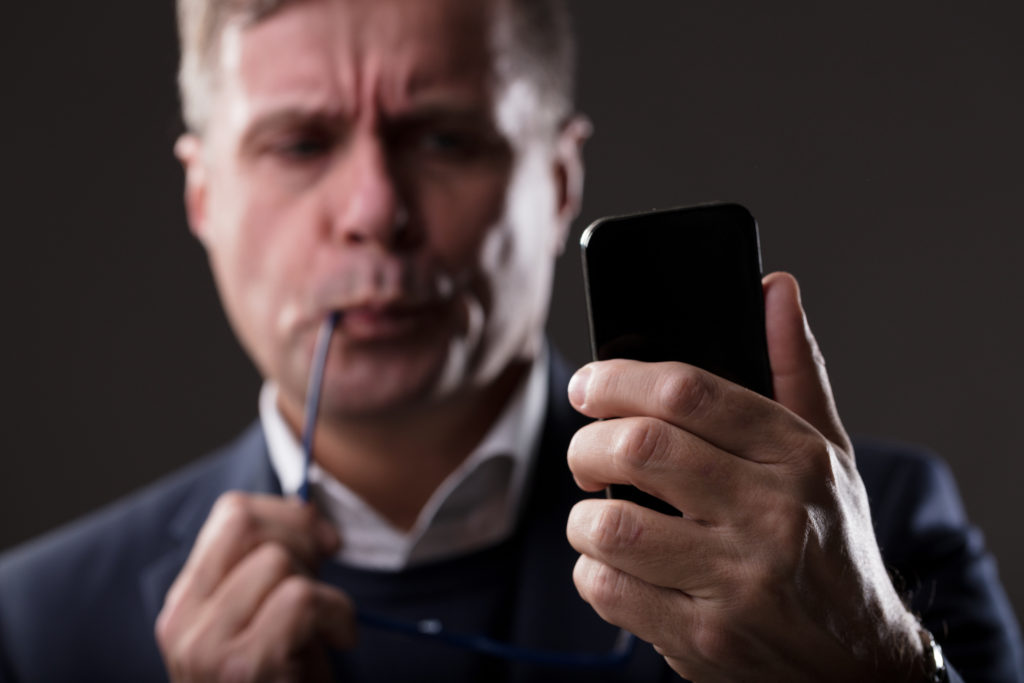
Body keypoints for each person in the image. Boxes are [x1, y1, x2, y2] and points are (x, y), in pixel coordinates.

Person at [0, 0, 1021, 680]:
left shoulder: (871, 540)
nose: (374, 210)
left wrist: (870, 661)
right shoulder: (34, 626)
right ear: (202, 192)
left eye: (445, 136)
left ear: (559, 182)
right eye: (300, 143)